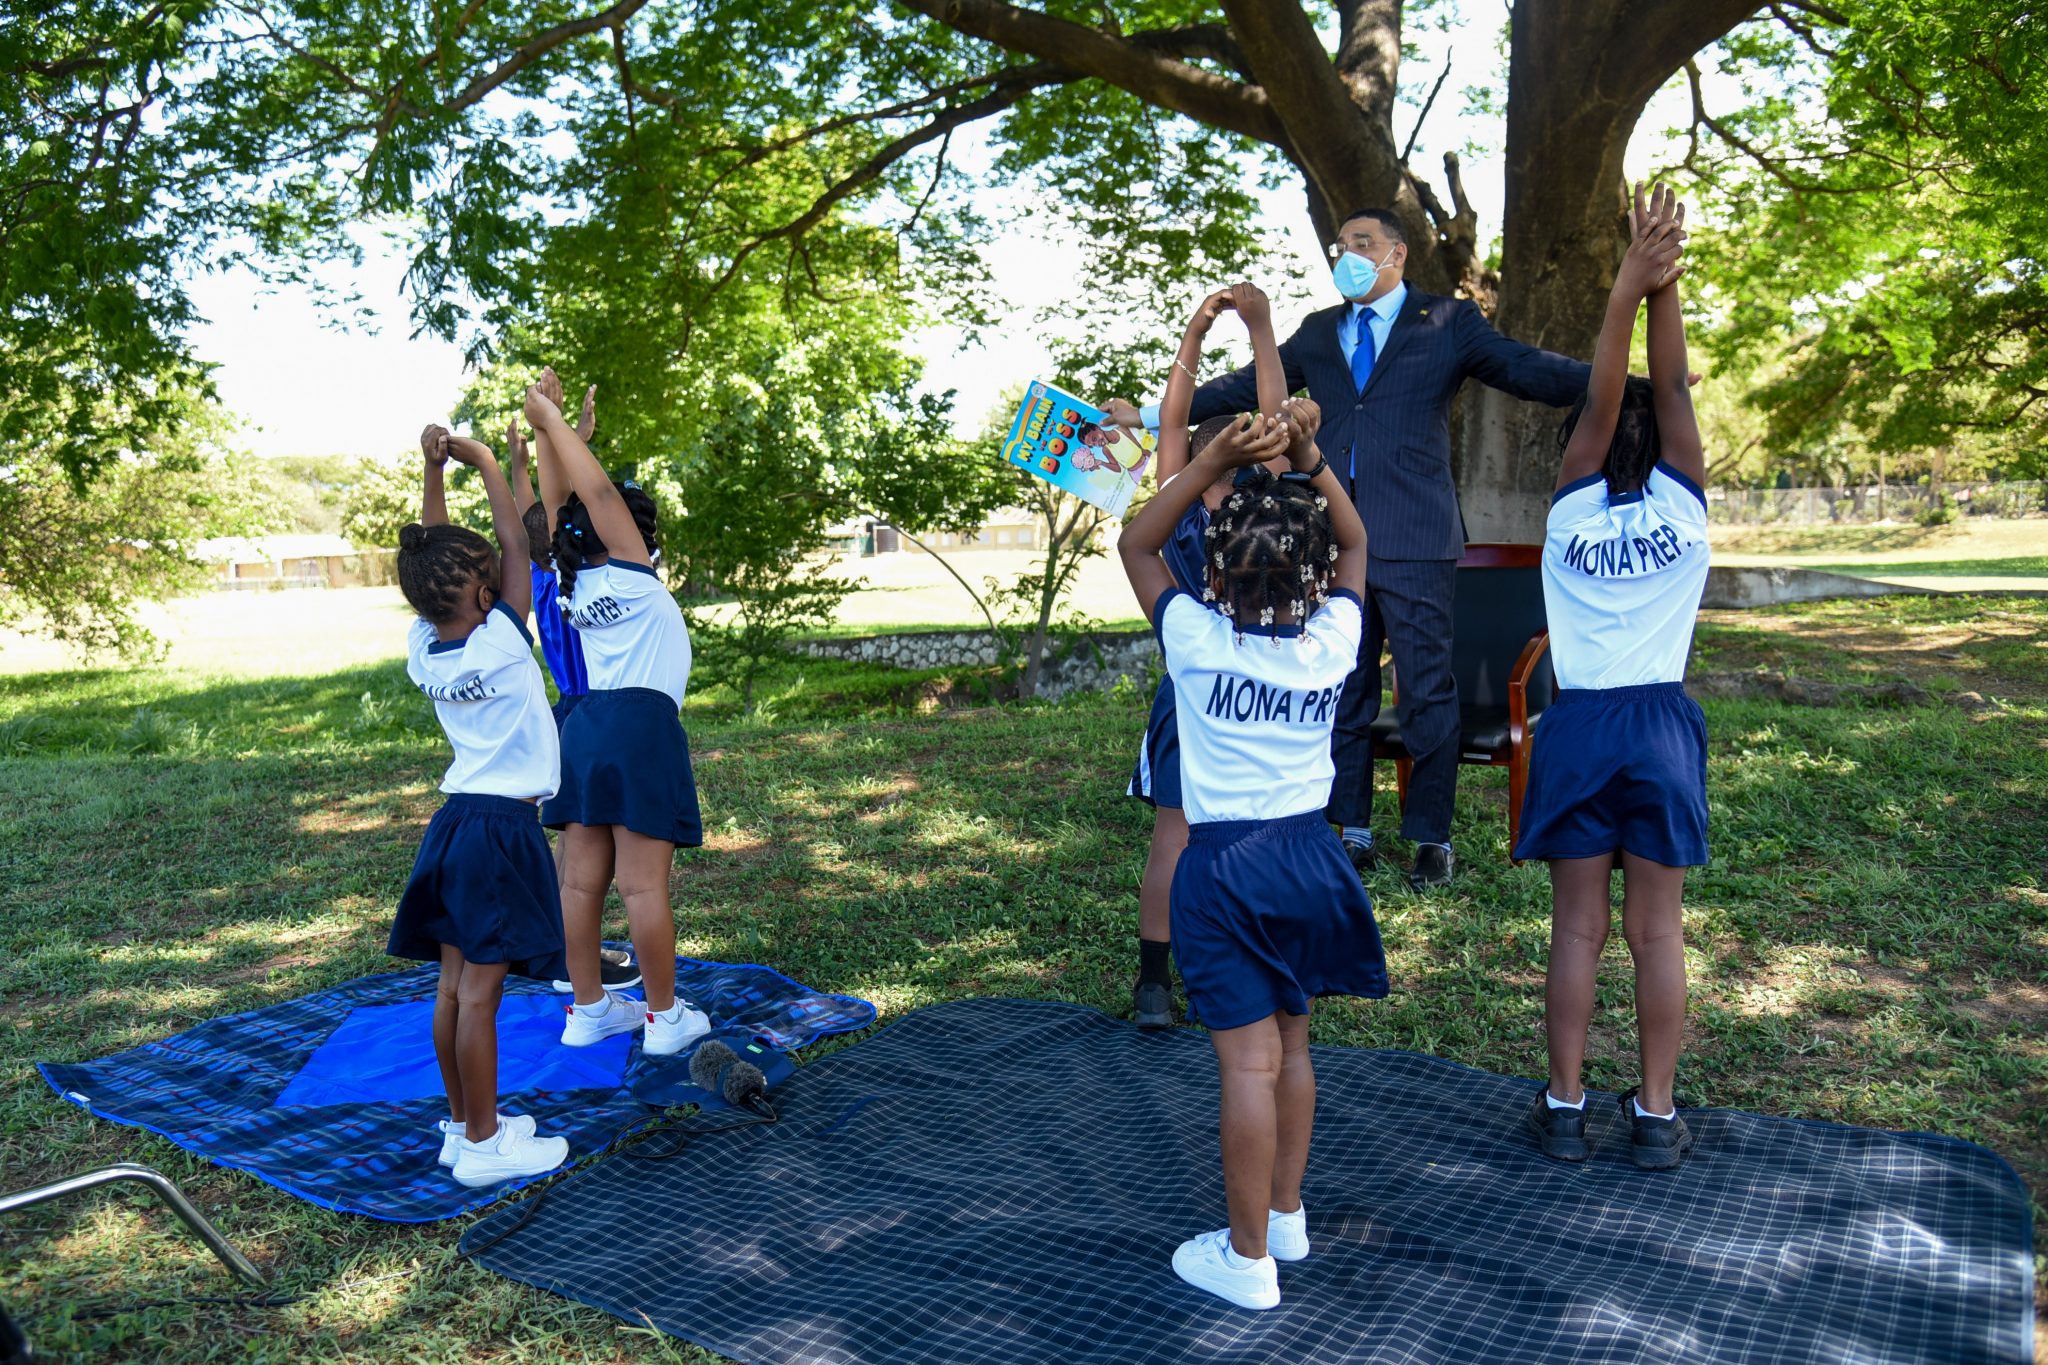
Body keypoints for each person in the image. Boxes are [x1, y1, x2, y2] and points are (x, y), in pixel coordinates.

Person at [1107, 209, 1591, 888]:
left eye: (1362, 244)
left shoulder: (1448, 323)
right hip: (1324, 540)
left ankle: (1430, 836)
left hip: (1417, 535)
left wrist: (1630, 385)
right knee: (1344, 685)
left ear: (1397, 253)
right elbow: (1239, 387)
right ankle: (1352, 828)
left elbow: (1526, 368)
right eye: (1340, 247)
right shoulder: (1317, 332)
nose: (1348, 255)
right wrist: (1154, 418)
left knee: (1428, 689)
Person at [1119, 291, 1388, 1311]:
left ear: (1215, 570)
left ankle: (1247, 1264)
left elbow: (1137, 546)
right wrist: (1311, 466)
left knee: (1244, 1064)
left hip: (1223, 867)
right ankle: (1286, 1217)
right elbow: (1357, 547)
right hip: (1312, 858)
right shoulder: (1331, 640)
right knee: (1295, 1043)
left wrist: (1206, 464)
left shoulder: (1192, 636)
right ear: (1315, 574)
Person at [1517, 184, 1708, 1171]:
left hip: (1579, 727)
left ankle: (1561, 1107)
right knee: (1656, 930)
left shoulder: (1566, 516)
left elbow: (1607, 398)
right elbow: (1663, 393)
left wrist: (1625, 287)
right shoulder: (1684, 515)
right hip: (1658, 728)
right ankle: (1655, 1117)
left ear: (1587, 455)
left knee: (1576, 928)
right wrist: (1659, 279)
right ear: (1667, 454)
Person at [389, 424, 572, 1187]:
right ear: (486, 592)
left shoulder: (423, 648)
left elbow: (431, 555)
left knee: (451, 986)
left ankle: (465, 1127)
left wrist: (433, 473)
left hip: (455, 823)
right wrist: (491, 464)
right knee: (479, 996)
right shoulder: (500, 639)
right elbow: (515, 544)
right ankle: (486, 1145)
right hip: (499, 830)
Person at [525, 367, 712, 1058]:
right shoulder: (634, 571)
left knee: (578, 882)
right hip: (639, 730)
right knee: (639, 886)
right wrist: (549, 417)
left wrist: (552, 429)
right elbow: (592, 493)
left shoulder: (569, 582)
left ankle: (588, 1009)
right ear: (632, 535)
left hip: (586, 731)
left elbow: (558, 506)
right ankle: (664, 1018)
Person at [1125, 283, 1293, 1031]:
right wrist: (1260, 329)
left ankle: (1154, 986)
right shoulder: (1275, 512)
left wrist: (1195, 332)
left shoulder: (1183, 506)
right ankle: (1251, 971)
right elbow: (1280, 413)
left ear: (1198, 463)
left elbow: (1170, 418)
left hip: (1188, 693)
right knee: (1260, 838)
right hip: (1263, 697)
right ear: (1262, 454)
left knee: (1174, 838)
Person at [503, 409, 644, 997]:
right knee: (599, 858)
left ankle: (569, 954)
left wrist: (529, 452)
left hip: (568, 717)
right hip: (600, 716)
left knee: (572, 848)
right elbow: (552, 512)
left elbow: (533, 515)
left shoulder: (544, 577)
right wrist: (550, 438)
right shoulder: (595, 582)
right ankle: (571, 959)